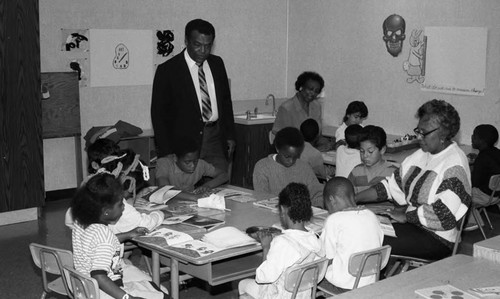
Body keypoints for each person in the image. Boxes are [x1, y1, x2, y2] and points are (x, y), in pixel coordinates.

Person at [356, 99, 471, 260]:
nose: (418, 136)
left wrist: (407, 216)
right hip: (413, 227)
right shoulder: (421, 154)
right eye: (418, 130)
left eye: (424, 132)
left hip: (436, 238)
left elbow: (444, 215)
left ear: (443, 134)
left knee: (369, 239)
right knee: (361, 228)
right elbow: (391, 186)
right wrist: (354, 198)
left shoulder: (454, 164)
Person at [151, 18, 235, 174]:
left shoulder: (217, 64)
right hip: (184, 145)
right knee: (186, 193)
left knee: (219, 187)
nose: (203, 51)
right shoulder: (168, 70)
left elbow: (225, 102)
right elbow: (159, 115)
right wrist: (166, 153)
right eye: (197, 45)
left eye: (208, 46)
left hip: (216, 137)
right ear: (186, 41)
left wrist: (230, 135)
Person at [71, 173, 167, 299]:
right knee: (162, 293)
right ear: (106, 211)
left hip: (84, 287)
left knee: (147, 282)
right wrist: (126, 297)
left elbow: (96, 246)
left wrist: (126, 235)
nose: (123, 208)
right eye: (120, 204)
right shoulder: (104, 235)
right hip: (105, 292)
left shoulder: (80, 222)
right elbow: (99, 277)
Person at [238, 183, 324, 299]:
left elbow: (263, 278)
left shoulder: (282, 243)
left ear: (283, 209)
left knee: (243, 284)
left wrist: (266, 247)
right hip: (304, 295)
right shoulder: (315, 239)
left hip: (278, 295)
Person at [65, 138, 165, 235]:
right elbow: (144, 224)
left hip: (90, 238)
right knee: (135, 230)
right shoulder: (110, 191)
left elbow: (69, 218)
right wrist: (160, 214)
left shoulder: (90, 183)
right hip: (105, 241)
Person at [321, 177, 383, 292]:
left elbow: (326, 257)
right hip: (370, 282)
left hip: (342, 286)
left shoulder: (334, 220)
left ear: (332, 200)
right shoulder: (371, 215)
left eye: (327, 206)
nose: (329, 211)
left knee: (308, 275)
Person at [253, 127, 324, 207]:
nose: (291, 161)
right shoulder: (263, 167)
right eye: (287, 156)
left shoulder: (304, 167)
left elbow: (317, 193)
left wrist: (318, 206)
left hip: (301, 215)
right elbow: (263, 199)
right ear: (277, 149)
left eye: (296, 156)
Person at [155, 137, 229, 200]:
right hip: (165, 201)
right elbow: (165, 190)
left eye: (195, 161)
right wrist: (194, 197)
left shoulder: (200, 164)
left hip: (188, 202)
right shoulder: (164, 163)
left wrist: (207, 186)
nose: (193, 165)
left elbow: (224, 175)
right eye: (187, 162)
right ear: (175, 158)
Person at [271, 72, 330, 149]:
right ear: (301, 87)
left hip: (311, 150)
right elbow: (281, 138)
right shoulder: (286, 108)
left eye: (316, 91)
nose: (312, 93)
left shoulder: (316, 106)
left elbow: (317, 136)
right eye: (310, 89)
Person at [466, 124, 500, 229]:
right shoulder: (497, 152)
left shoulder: (482, 158)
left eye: (474, 136)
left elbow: (474, 183)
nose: (472, 137)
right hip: (497, 195)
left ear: (482, 141)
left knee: (460, 192)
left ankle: (472, 222)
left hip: (484, 196)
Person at [348, 125, 397, 194]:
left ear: (382, 150)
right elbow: (348, 195)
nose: (365, 155)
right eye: (362, 151)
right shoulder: (356, 171)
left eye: (370, 151)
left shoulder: (393, 173)